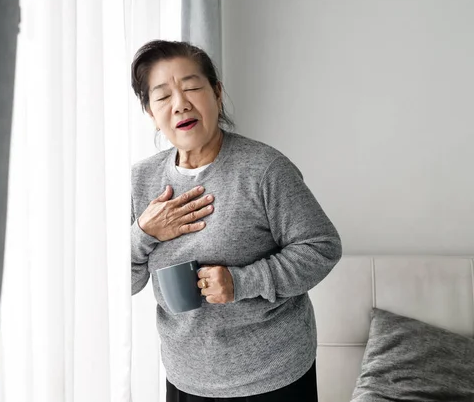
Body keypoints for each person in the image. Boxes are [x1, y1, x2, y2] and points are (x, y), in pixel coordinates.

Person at [130, 40, 342, 402]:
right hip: (186, 377)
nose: (180, 103)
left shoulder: (265, 169)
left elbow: (322, 248)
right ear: (150, 111)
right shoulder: (142, 179)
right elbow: (123, 284)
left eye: (193, 87)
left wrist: (240, 282)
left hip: (274, 376)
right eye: (163, 96)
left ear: (217, 92)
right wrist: (144, 233)